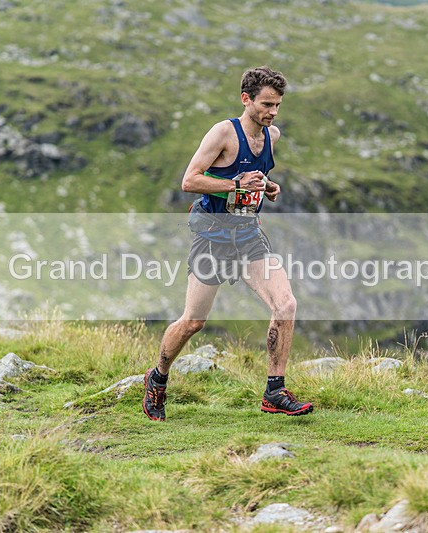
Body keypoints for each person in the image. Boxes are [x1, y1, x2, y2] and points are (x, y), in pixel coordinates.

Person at [142, 66, 314, 421]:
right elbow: (190, 181)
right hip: (213, 238)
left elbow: (256, 175)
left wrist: (267, 187)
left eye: (278, 105)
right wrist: (236, 185)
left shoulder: (272, 135)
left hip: (249, 236)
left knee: (286, 305)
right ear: (245, 99)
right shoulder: (223, 133)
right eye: (267, 104)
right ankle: (157, 378)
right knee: (193, 322)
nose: (273, 112)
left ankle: (275, 391)